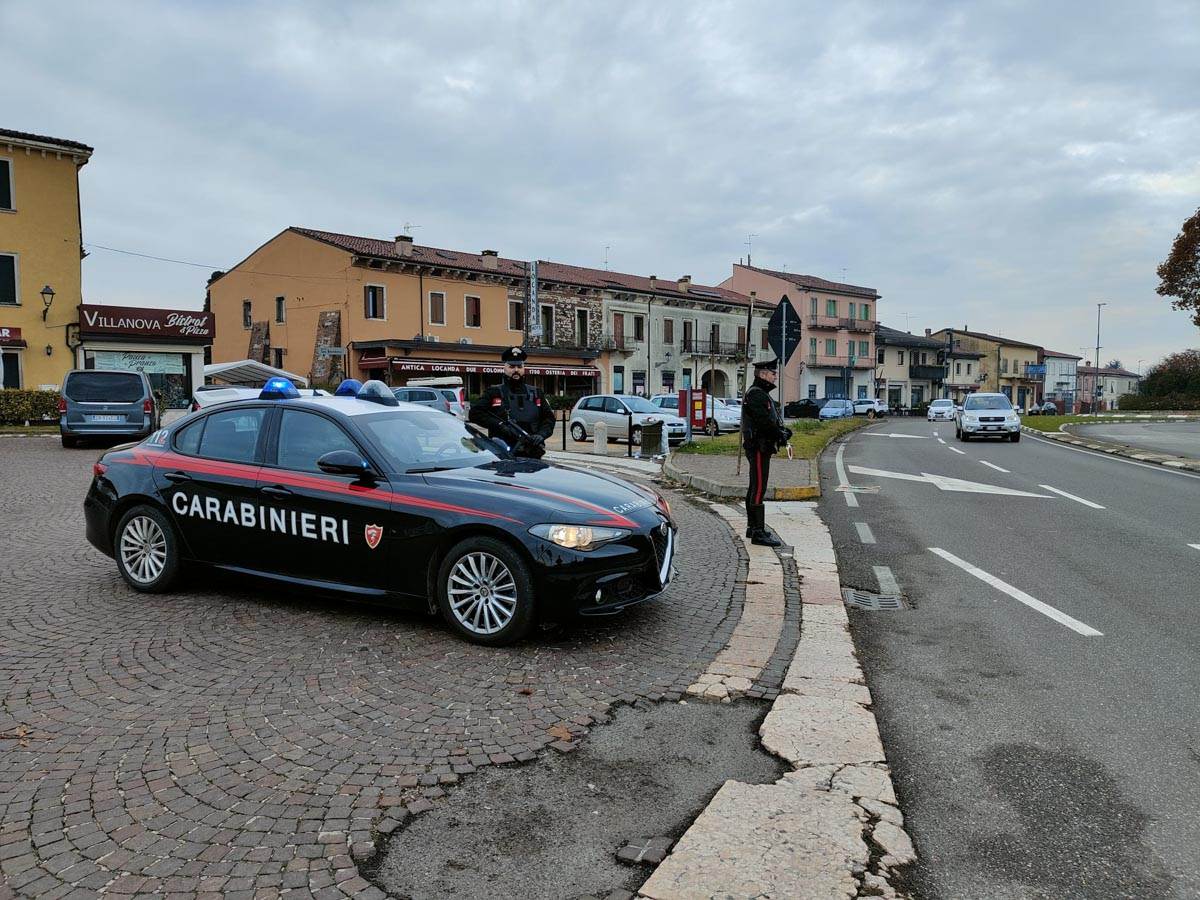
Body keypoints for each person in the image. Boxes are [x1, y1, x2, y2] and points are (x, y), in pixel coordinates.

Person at [469, 347, 556, 458]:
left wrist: (541, 435)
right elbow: (475, 414)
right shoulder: (494, 392)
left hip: (532, 451)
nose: (516, 370)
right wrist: (499, 425)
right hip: (503, 450)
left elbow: (549, 419)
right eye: (512, 367)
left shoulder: (536, 393)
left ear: (524, 369)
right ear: (504, 368)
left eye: (519, 367)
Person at [741, 358, 792, 547]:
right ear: (763, 375)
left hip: (760, 446)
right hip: (759, 447)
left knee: (755, 485)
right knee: (759, 487)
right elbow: (763, 423)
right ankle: (757, 532)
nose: (775, 376)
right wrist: (780, 434)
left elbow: (769, 420)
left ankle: (751, 526)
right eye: (772, 373)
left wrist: (782, 432)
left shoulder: (761, 393)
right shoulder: (757, 395)